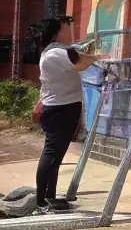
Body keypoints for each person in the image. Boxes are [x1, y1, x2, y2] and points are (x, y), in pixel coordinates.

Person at [34, 17, 100, 212]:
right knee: (52, 154)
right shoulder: (55, 53)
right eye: (66, 28)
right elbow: (79, 63)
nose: (70, 31)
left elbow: (77, 55)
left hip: (63, 108)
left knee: (56, 155)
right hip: (59, 110)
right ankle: (42, 200)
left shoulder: (59, 51)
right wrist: (95, 57)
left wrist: (85, 53)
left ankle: (49, 197)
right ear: (57, 33)